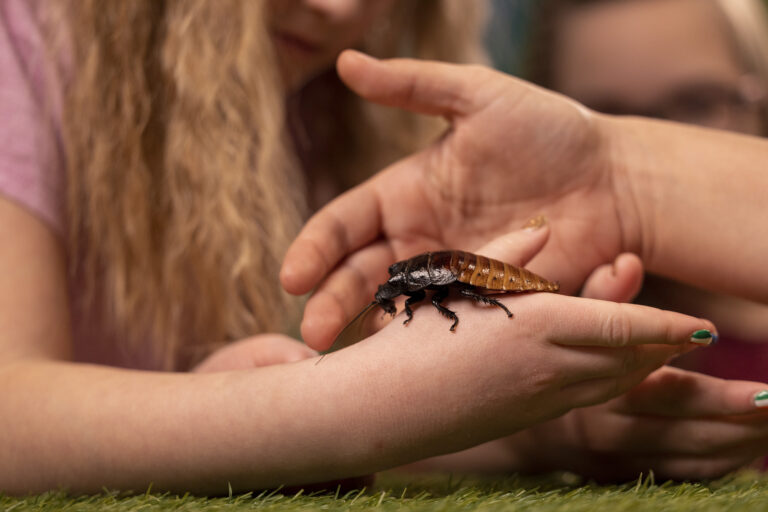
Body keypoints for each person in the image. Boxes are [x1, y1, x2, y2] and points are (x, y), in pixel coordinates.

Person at [0, 0, 719, 495]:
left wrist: (529, 428)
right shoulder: (26, 45)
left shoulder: (324, 110)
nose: (341, 8)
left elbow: (387, 397)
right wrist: (316, 405)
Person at [282, 49, 768, 481]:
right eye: (611, 110)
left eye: (700, 99)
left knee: (466, 292)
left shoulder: (421, 286)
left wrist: (615, 174)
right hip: (470, 277)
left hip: (473, 274)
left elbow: (440, 293)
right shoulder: (417, 284)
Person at [524, 0, 768, 383]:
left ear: (759, 100)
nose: (652, 149)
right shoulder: (546, 352)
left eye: (697, 104)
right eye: (604, 119)